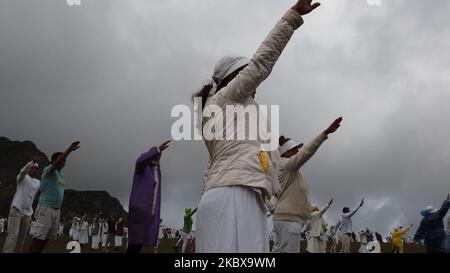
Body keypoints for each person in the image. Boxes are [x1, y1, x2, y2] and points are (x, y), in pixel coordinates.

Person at [194, 0, 322, 253]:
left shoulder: (236, 110)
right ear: (234, 77)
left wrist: (271, 200)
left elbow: (262, 161)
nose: (255, 81)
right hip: (234, 195)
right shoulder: (228, 98)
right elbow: (262, 62)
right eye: (245, 72)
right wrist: (292, 17)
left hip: (234, 194)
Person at [272, 118, 342, 253]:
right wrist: (325, 133)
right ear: (286, 152)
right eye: (295, 150)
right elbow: (306, 152)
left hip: (287, 219)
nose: (298, 152)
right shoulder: (286, 166)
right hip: (288, 221)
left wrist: (308, 208)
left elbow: (290, 196)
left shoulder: (290, 172)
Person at [28, 141, 80, 253]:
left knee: (47, 237)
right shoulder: (49, 170)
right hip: (46, 208)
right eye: (62, 160)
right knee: (39, 237)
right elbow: (57, 163)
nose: (64, 163)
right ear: (54, 161)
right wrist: (69, 150)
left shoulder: (61, 174)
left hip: (56, 210)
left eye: (65, 161)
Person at [127, 140, 171, 253]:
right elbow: (141, 160)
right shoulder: (142, 167)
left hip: (150, 211)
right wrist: (157, 149)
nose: (158, 157)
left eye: (159, 156)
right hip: (140, 209)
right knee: (135, 243)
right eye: (156, 155)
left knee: (139, 243)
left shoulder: (157, 170)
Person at [3, 152, 45, 253]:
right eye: (33, 167)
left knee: (21, 239)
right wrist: (32, 162)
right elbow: (22, 171)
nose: (34, 170)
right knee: (13, 237)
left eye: (36, 168)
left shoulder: (38, 182)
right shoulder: (22, 178)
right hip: (17, 209)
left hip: (27, 213)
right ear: (29, 168)